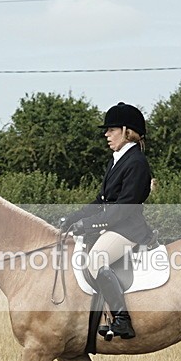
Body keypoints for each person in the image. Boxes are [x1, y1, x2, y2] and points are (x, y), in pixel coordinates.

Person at [59, 102, 154, 340]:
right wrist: (75, 217)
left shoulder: (136, 162)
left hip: (128, 230)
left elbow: (123, 208)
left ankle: (122, 319)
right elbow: (101, 201)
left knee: (96, 260)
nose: (106, 134)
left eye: (111, 130)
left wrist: (90, 225)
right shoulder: (116, 160)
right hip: (114, 227)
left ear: (126, 130)